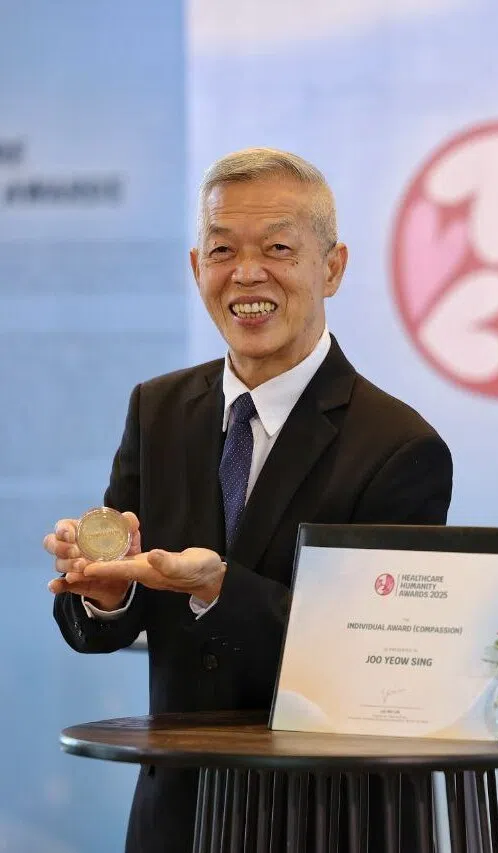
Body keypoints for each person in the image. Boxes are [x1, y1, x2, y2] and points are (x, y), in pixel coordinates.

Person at [44, 148, 453, 853]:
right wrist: (103, 592)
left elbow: (376, 657)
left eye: (278, 249)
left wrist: (219, 587)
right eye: (222, 249)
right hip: (179, 815)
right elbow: (106, 623)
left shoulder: (400, 444)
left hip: (330, 820)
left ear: (332, 266)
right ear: (196, 268)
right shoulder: (158, 409)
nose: (247, 274)